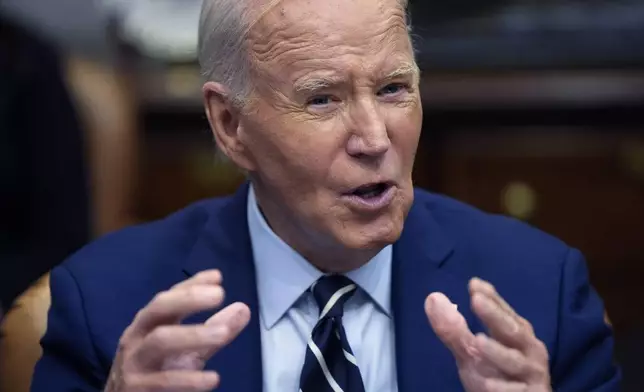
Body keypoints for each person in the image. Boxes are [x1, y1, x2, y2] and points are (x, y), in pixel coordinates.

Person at [31, 0, 620, 391]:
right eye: (322, 100)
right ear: (230, 126)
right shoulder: (106, 310)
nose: (373, 138)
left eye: (393, 89)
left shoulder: (543, 294)